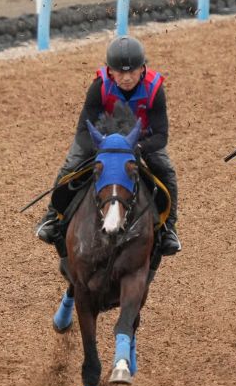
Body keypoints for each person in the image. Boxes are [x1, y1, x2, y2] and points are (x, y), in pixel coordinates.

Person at [35, 35, 181, 256]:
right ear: (110, 71)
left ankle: (169, 228)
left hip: (140, 140)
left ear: (143, 69)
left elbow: (161, 136)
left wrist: (137, 149)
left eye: (132, 71)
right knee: (71, 165)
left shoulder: (155, 89)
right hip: (101, 139)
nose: (127, 77)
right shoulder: (99, 87)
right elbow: (83, 130)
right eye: (120, 72)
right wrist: (103, 149)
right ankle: (53, 218)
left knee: (166, 171)